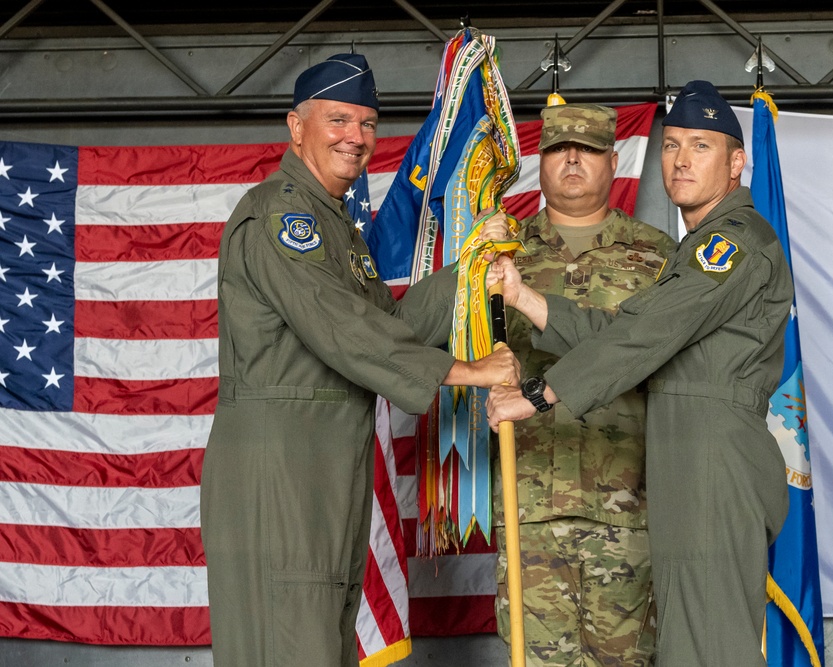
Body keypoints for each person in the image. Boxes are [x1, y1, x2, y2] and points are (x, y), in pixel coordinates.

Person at [200, 53, 518, 667]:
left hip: (322, 463)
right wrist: (467, 374)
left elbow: (385, 326)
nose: (357, 137)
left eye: (369, 124)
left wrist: (468, 270)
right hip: (281, 468)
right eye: (339, 119)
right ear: (296, 127)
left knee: (321, 645)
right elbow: (342, 329)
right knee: (292, 646)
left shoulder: (337, 227)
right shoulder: (280, 216)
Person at [487, 80, 793, 666]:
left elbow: (643, 337)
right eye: (672, 144)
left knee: (710, 650)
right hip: (683, 453)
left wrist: (540, 392)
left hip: (712, 455)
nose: (680, 159)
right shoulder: (693, 246)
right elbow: (629, 334)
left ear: (737, 163)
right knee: (685, 648)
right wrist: (527, 298)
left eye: (700, 146)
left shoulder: (730, 243)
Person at [492, 103, 674, 667]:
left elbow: (656, 359)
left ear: (613, 161)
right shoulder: (499, 255)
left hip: (626, 508)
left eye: (589, 149)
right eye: (557, 149)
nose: (572, 159)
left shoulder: (659, 257)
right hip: (529, 505)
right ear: (538, 162)